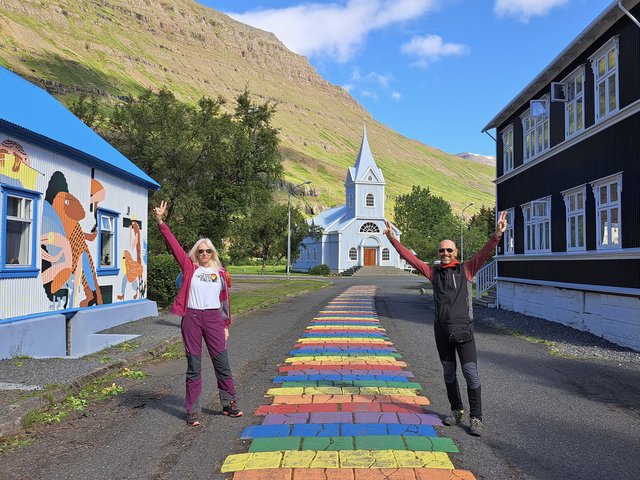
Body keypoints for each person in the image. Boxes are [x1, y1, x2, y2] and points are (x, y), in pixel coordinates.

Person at [384, 211, 507, 436]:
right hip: (441, 331)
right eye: (442, 250)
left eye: (449, 250)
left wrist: (497, 235)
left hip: (464, 331)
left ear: (456, 252)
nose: (445, 253)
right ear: (438, 253)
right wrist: (393, 240)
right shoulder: (433, 272)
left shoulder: (466, 269)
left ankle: (476, 418)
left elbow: (484, 252)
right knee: (449, 373)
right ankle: (456, 410)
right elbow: (410, 259)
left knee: (471, 374)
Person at [154, 200, 243, 426]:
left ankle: (229, 403)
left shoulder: (220, 273)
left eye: (208, 251)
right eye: (200, 250)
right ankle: (192, 411)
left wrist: (225, 326)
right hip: (192, 318)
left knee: (221, 362)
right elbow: (173, 245)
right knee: (194, 365)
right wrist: (161, 222)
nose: (204, 253)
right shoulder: (189, 267)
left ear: (213, 253)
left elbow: (225, 304)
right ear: (196, 253)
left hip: (213, 319)